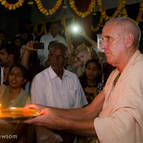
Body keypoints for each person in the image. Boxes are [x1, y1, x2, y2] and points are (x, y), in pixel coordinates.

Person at [25, 17, 143, 143]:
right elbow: (89, 111)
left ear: (128, 40)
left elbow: (117, 127)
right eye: (102, 40)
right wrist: (44, 110)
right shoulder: (116, 73)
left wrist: (60, 123)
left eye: (108, 39)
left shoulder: (139, 71)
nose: (102, 46)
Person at [31, 40, 87, 143]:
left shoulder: (73, 78)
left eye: (60, 56)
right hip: (49, 135)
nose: (56, 59)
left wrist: (71, 130)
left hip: (72, 133)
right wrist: (61, 133)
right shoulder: (40, 79)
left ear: (66, 60)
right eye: (53, 55)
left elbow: (79, 109)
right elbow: (39, 113)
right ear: (49, 57)